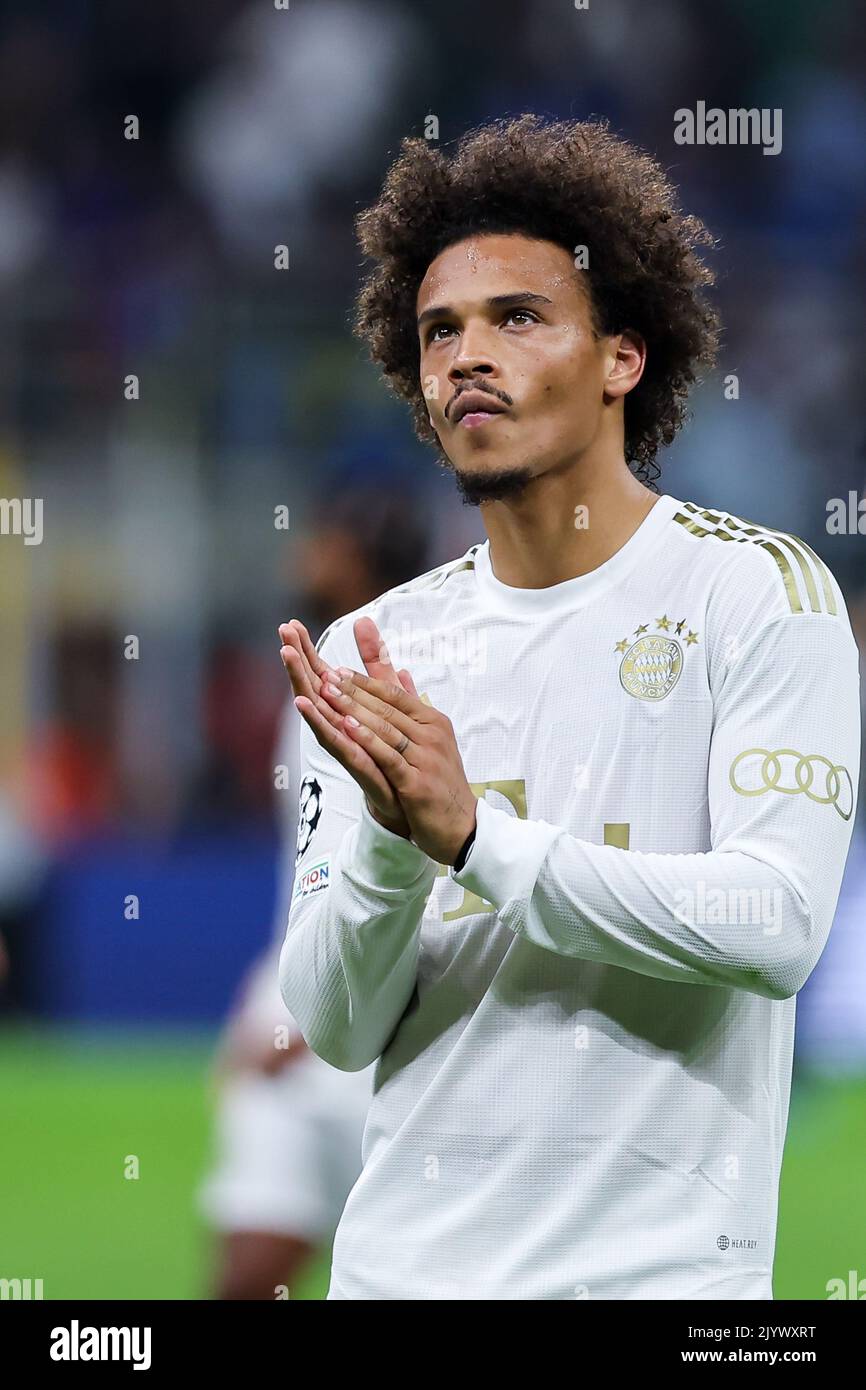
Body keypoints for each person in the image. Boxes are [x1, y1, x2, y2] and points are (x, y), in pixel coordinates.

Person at [277, 114, 860, 1300]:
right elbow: (333, 1027)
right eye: (439, 330)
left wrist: (477, 839)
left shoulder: (755, 593)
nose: (465, 356)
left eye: (517, 318)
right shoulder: (377, 650)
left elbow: (778, 924)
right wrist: (395, 848)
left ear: (619, 361)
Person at [199, 486, 430, 1299]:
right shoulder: (308, 681)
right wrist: (268, 1006)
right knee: (250, 1265)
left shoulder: (420, 684)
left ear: (356, 555)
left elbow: (417, 875)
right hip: (290, 1000)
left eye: (322, 539)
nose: (302, 556)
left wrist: (298, 1026)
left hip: (368, 1024)